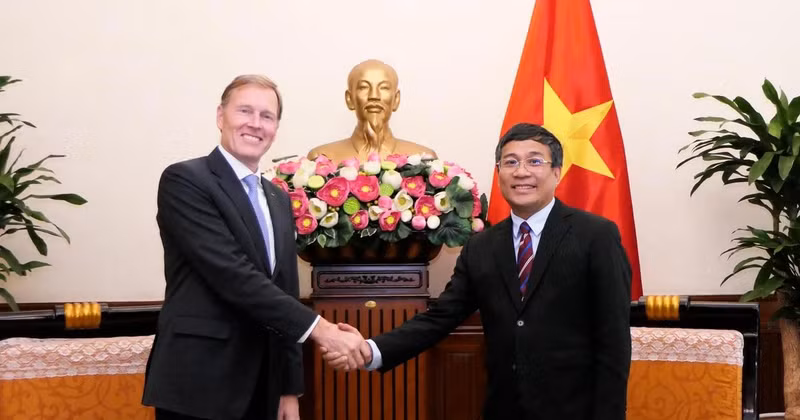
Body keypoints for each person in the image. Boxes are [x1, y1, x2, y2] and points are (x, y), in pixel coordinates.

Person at [326, 123, 632, 419]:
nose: (521, 171)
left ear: (556, 172)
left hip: (575, 411)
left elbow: (614, 342)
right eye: (510, 162)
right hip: (504, 410)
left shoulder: (596, 236)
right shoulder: (481, 247)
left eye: (534, 161)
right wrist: (371, 350)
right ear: (499, 173)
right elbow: (440, 318)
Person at [142, 74, 367, 420]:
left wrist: (289, 388)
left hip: (263, 386)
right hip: (199, 383)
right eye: (245, 111)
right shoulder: (185, 180)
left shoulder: (277, 198)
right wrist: (322, 330)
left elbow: (285, 290)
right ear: (221, 116)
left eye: (267, 116)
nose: (255, 124)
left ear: (276, 127)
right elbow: (233, 275)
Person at [306, 59, 436, 163]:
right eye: (364, 87)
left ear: (396, 99)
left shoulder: (423, 159)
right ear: (349, 99)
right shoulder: (322, 159)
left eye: (384, 87)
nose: (374, 95)